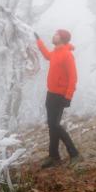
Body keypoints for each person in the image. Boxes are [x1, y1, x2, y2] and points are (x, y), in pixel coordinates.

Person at [35, 29, 80, 168]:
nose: (53, 36)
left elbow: (73, 77)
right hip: (51, 94)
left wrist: (68, 97)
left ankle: (74, 152)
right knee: (51, 125)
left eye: (56, 34)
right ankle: (53, 156)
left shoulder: (67, 55)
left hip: (60, 95)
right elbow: (47, 55)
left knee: (55, 125)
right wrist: (38, 41)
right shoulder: (55, 53)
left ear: (62, 38)